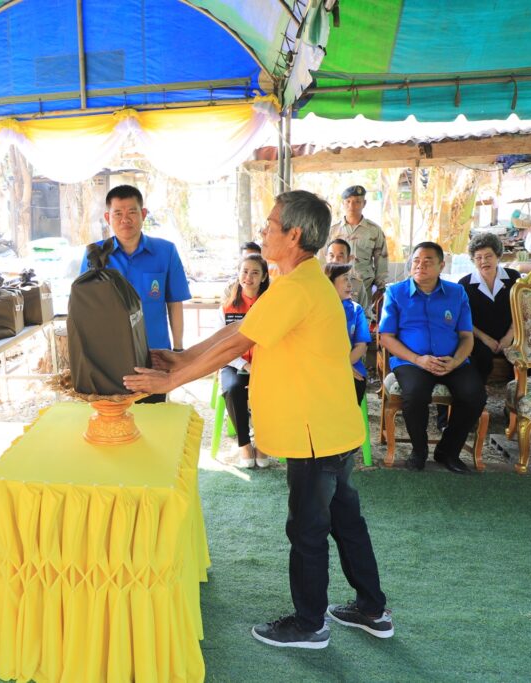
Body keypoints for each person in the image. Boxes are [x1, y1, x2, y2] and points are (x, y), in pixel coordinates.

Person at [125, 190, 391, 650]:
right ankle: (372, 609)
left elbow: (237, 344)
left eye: (270, 225)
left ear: (294, 235)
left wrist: (171, 380)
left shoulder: (297, 287)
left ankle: (309, 625)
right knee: (345, 521)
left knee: (308, 529)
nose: (263, 231)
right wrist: (183, 357)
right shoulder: (298, 281)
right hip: (332, 427)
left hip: (315, 434)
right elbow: (240, 329)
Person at [378, 242, 487, 474]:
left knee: (474, 395)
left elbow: (466, 336)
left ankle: (448, 451)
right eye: (416, 261)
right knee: (415, 394)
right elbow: (386, 337)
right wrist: (418, 360)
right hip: (411, 361)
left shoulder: (457, 293)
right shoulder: (396, 293)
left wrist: (456, 361)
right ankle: (419, 451)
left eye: (428, 261)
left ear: (441, 266)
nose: (420, 266)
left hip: (451, 361)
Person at [79, 185, 191, 402]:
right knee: (112, 417)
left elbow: (174, 303)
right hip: (107, 356)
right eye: (117, 213)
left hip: (155, 357)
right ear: (107, 217)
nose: (125, 219)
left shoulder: (166, 252)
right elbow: (85, 309)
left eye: (132, 212)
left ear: (143, 214)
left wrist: (178, 349)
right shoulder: (95, 255)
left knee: (153, 414)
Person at [221, 253, 270, 468]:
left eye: (255, 273)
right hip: (233, 363)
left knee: (272, 389)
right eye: (245, 271)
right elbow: (222, 346)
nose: (248, 277)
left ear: (264, 277)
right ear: (238, 274)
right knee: (233, 389)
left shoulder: (272, 305)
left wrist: (260, 367)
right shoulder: (226, 307)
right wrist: (245, 365)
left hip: (266, 365)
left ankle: (264, 443)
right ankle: (245, 445)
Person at [457, 233, 520, 383]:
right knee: (481, 357)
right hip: (479, 337)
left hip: (511, 333)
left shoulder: (513, 277)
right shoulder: (464, 284)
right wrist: (485, 339)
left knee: (520, 358)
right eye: (478, 258)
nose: (483, 261)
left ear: (498, 256)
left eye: (488, 256)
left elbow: (521, 310)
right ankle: (479, 392)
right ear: (473, 260)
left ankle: (517, 393)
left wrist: (508, 337)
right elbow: (463, 319)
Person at [329, 186, 388, 315]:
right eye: (348, 201)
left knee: (363, 319)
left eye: (357, 201)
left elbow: (381, 259)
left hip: (365, 287)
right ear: (343, 203)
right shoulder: (333, 231)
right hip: (336, 287)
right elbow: (324, 260)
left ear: (364, 203)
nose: (352, 205)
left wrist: (381, 287)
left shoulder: (374, 230)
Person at [325, 263, 371, 404]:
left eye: (350, 279)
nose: (350, 284)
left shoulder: (356, 310)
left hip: (351, 362)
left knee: (357, 384)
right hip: (324, 366)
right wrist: (337, 368)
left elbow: (361, 345)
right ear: (330, 283)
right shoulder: (319, 309)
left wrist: (344, 366)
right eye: (345, 279)